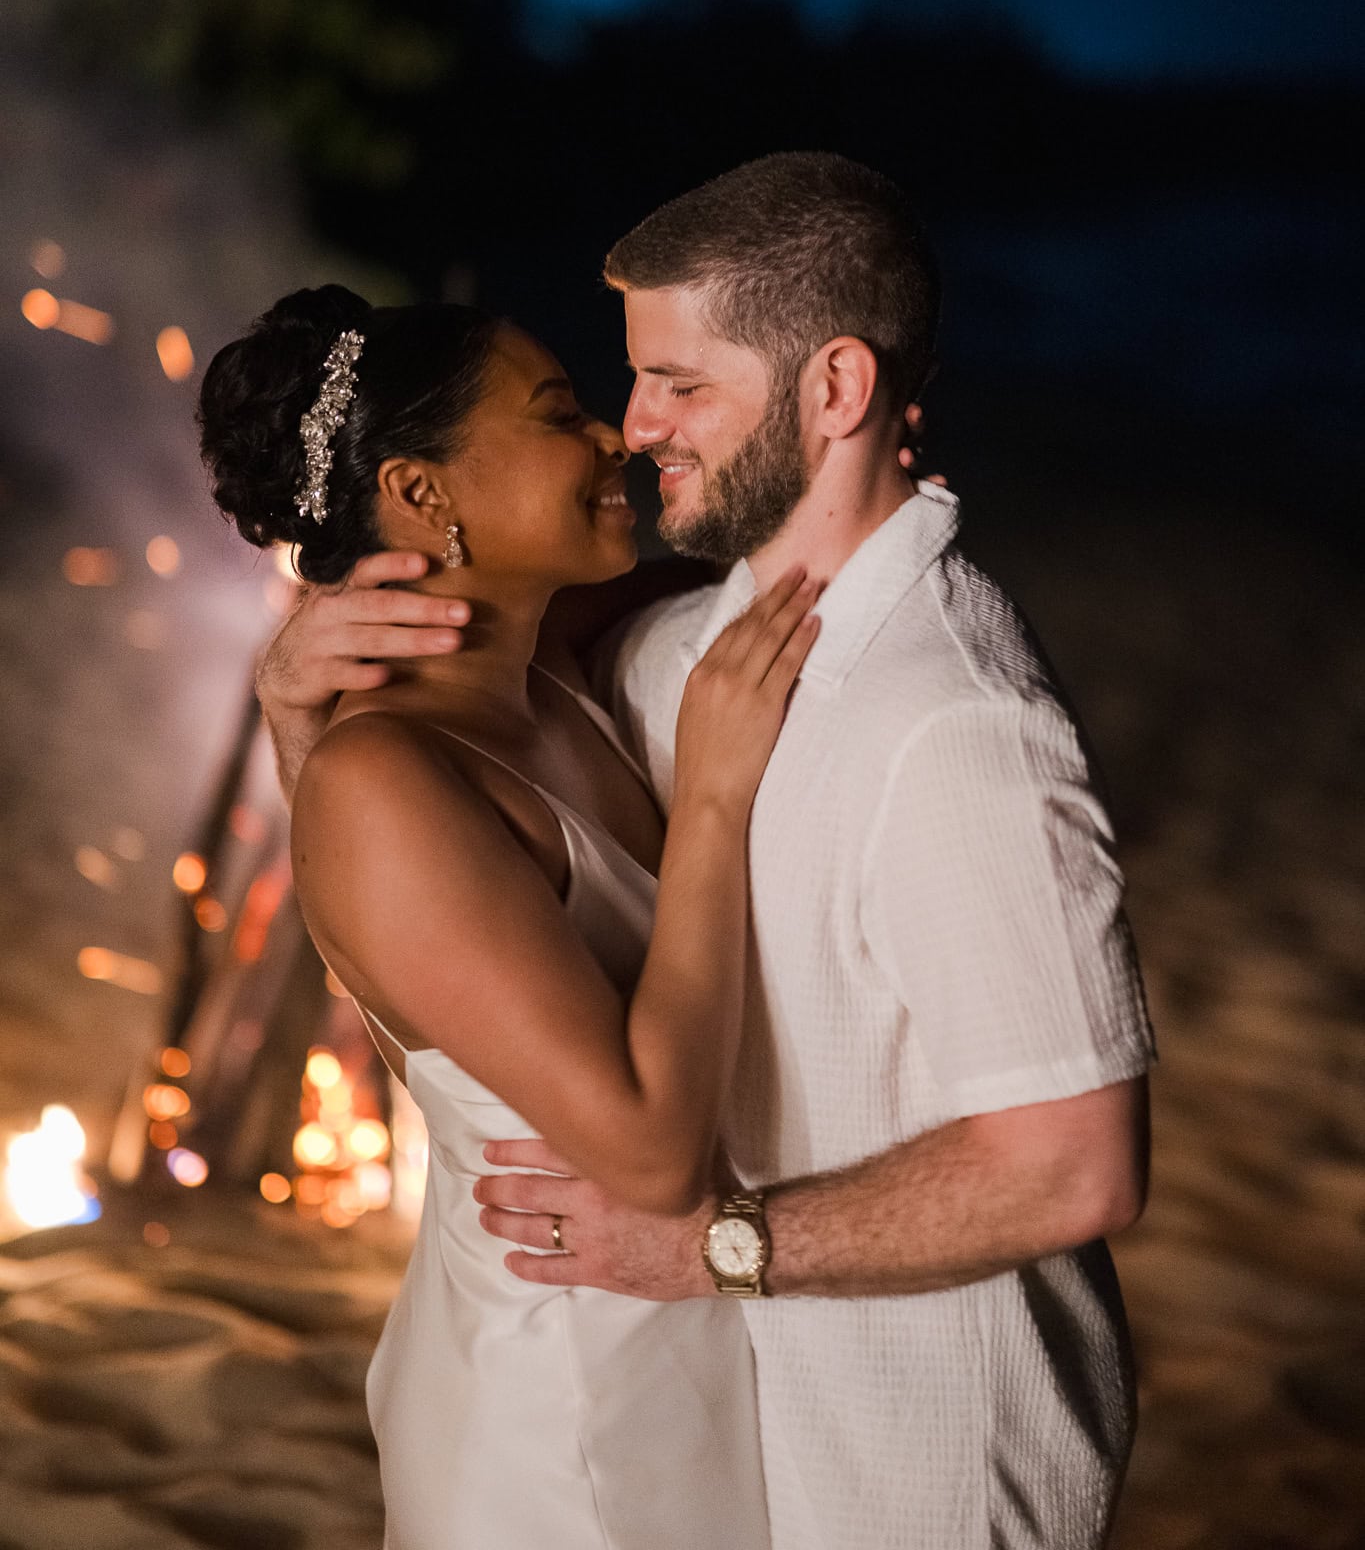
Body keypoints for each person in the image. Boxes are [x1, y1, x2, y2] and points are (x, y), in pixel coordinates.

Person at [260, 153, 1156, 1550]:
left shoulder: (937, 722)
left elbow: (1077, 1168)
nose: (631, 428)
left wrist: (718, 1251)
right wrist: (293, 714)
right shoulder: (659, 660)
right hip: (633, 1397)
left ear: (837, 389)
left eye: (676, 385)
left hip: (885, 1429)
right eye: (607, 390)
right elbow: (409, 869)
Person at [197, 283, 826, 1550]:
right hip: (566, 1411)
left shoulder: (543, 674)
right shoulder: (383, 776)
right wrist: (710, 799)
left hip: (668, 1342)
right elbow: (647, 1156)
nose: (615, 435)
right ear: (423, 494)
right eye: (560, 414)